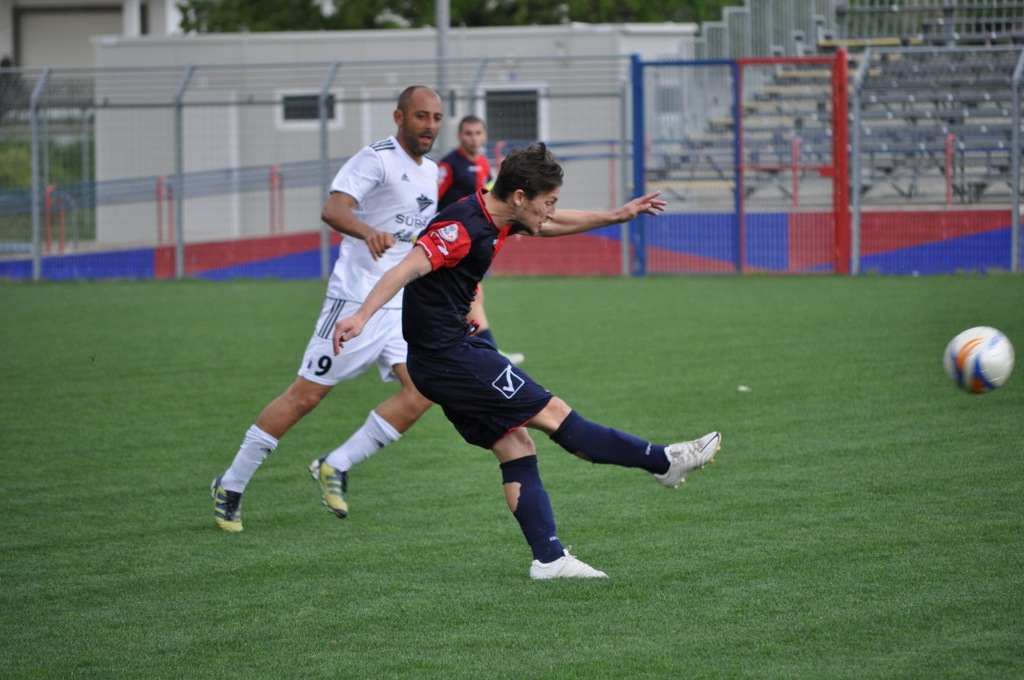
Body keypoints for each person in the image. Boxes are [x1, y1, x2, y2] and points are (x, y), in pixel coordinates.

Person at [331, 142, 722, 579]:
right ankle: (662, 460)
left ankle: (549, 560)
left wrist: (616, 215)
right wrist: (362, 315)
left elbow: (549, 225)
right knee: (555, 415)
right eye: (548, 202)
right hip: (448, 357)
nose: (552, 211)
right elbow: (405, 269)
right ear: (520, 197)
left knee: (516, 446)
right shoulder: (461, 226)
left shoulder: (497, 213)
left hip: (451, 352)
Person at [210, 85, 443, 531]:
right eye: (421, 116)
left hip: (399, 304)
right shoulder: (374, 158)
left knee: (422, 391)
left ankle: (335, 464)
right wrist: (365, 230)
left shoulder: (431, 171)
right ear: (399, 117)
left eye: (435, 117)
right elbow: (333, 208)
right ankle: (231, 484)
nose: (429, 125)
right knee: (306, 396)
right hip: (354, 299)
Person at [438, 114, 524, 365]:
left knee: (473, 296)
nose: (474, 138)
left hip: (476, 240)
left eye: (478, 133)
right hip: (452, 240)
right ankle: (488, 352)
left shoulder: (485, 165)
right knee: (471, 296)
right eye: (468, 133)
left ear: (485, 136)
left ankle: (482, 350)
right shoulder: (449, 166)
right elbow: (433, 199)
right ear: (459, 136)